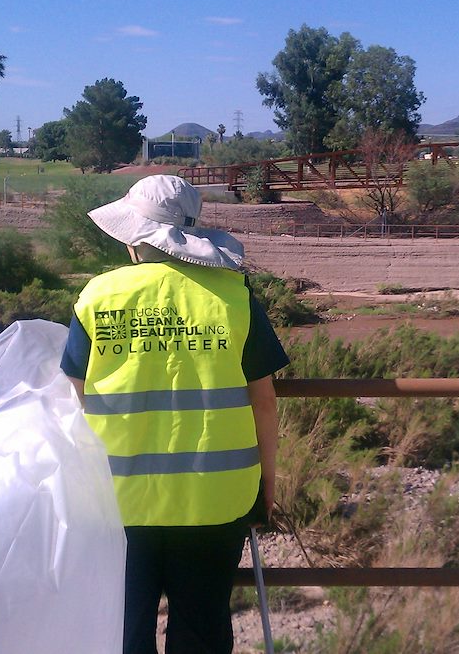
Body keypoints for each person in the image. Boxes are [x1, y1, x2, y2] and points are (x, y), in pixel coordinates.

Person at [60, 174, 289, 654]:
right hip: (217, 498)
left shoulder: (96, 298)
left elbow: (78, 395)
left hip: (118, 502)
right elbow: (263, 399)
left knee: (123, 629)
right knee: (202, 630)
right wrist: (267, 483)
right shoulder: (233, 297)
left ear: (134, 237)